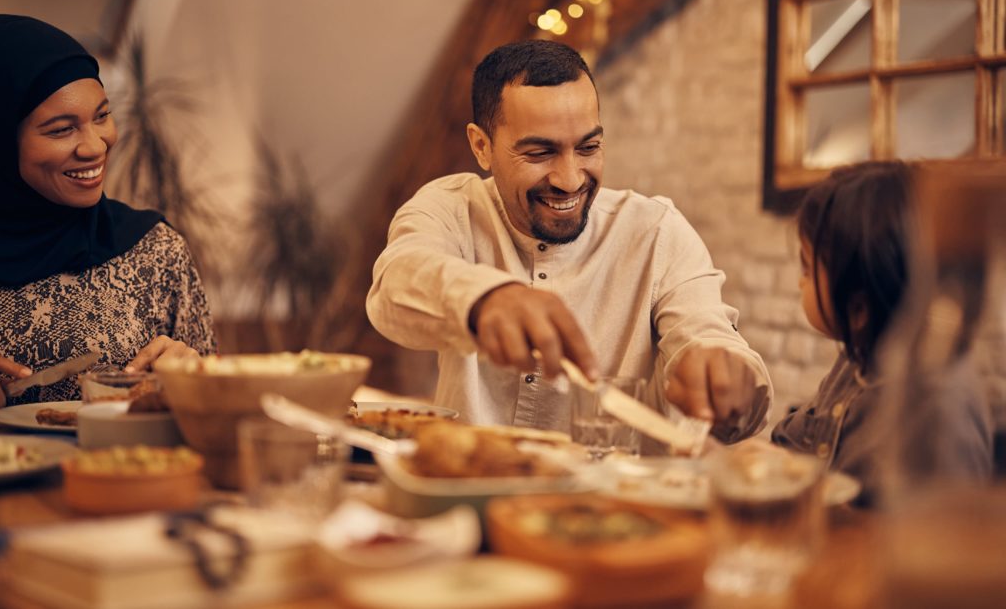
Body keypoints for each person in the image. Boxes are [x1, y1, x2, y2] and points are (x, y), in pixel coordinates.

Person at [367, 40, 771, 439]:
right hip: (473, 491)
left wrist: (730, 384)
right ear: (481, 146)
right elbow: (394, 286)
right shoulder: (450, 209)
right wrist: (485, 298)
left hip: (617, 501)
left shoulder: (657, 232)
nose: (570, 179)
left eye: (588, 147)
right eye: (540, 153)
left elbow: (705, 332)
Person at [0, 14, 215, 416]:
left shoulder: (154, 252)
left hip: (129, 475)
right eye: (60, 129)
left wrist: (197, 381)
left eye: (102, 115)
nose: (95, 146)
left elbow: (219, 422)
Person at [772, 160, 993, 502]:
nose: (800, 281)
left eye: (806, 265)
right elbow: (798, 438)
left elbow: (939, 533)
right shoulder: (853, 361)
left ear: (858, 308)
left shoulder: (938, 404)